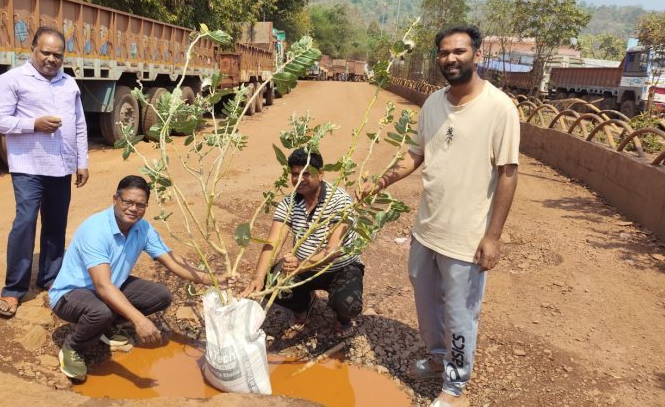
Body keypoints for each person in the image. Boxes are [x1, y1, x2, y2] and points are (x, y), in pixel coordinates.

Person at [360, 25, 519, 407]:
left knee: (460, 312)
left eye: (460, 51)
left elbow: (508, 173)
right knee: (426, 300)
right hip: (427, 228)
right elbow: (416, 154)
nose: (451, 58)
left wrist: (493, 237)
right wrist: (377, 183)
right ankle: (436, 356)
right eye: (445, 53)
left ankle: (455, 386)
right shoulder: (433, 104)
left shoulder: (499, 108)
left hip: (466, 237)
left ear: (477, 55)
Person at [49, 175, 229, 382]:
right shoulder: (96, 229)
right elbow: (102, 286)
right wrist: (139, 320)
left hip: (109, 287)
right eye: (128, 202)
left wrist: (213, 279)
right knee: (101, 310)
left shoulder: (142, 228)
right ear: (115, 199)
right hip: (70, 294)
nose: (133, 209)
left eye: (140, 205)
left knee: (161, 295)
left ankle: (105, 327)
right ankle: (73, 347)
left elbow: (172, 261)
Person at [0, 26, 89, 318]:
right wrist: (34, 124)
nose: (51, 59)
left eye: (58, 55)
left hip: (62, 167)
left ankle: (50, 278)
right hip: (28, 166)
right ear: (32, 50)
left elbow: (79, 125)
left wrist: (82, 162)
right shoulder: (12, 80)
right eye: (46, 52)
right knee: (26, 221)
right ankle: (13, 290)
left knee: (56, 224)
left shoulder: (69, 84)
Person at [242, 148, 364, 339]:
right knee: (270, 282)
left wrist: (300, 266)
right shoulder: (289, 203)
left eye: (306, 173)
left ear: (320, 174)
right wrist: (258, 278)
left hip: (340, 268)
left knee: (349, 304)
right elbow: (272, 243)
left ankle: (343, 319)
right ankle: (304, 305)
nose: (299, 179)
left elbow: (333, 251)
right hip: (302, 267)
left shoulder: (339, 200)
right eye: (295, 174)